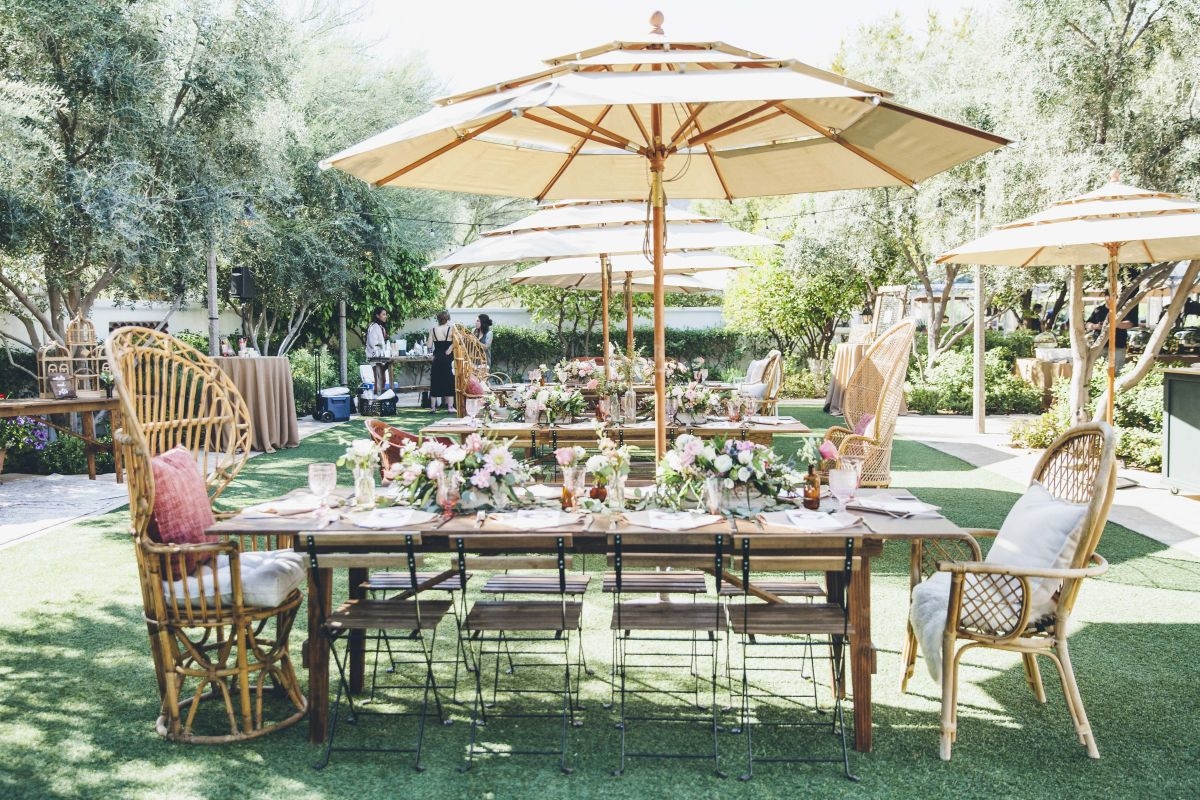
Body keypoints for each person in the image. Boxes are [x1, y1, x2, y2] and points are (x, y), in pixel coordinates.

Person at [1086, 302, 1139, 372]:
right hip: (1100, 346)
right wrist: (1096, 326)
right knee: (1098, 370)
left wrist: (1114, 324)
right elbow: (1088, 324)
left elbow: (1129, 324)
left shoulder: (1121, 310)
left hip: (1117, 346)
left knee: (1115, 371)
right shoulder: (1098, 310)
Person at [428, 310, 455, 413]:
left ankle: (433, 407)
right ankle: (450, 407)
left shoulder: (433, 330)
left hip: (437, 358)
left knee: (435, 381)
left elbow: (429, 345)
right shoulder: (451, 329)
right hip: (448, 358)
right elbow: (457, 342)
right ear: (447, 319)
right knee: (449, 381)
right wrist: (451, 347)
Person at [365, 307, 394, 400]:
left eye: (386, 314)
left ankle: (380, 399)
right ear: (377, 315)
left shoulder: (381, 327)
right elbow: (372, 343)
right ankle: (376, 400)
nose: (385, 316)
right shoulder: (373, 327)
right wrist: (382, 350)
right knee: (379, 379)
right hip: (375, 357)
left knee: (383, 379)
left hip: (381, 356)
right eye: (383, 314)